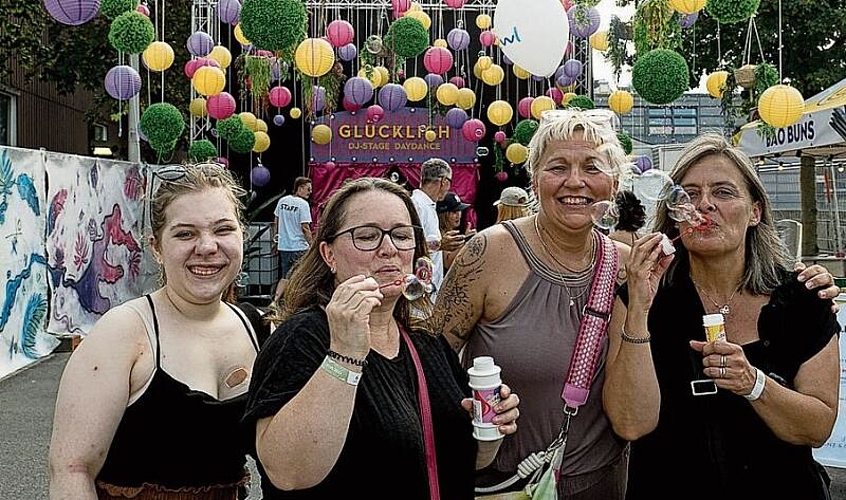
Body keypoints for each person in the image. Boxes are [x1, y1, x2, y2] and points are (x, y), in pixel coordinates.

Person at [243, 177, 520, 499]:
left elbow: (463, 461)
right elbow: (287, 473)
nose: (388, 249)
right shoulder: (303, 338)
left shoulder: (425, 342)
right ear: (328, 254)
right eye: (367, 236)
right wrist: (345, 352)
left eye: (401, 236)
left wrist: (492, 427)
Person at [604, 133, 841, 500]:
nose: (705, 205)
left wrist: (754, 383)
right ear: (674, 215)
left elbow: (817, 427)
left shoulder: (801, 297)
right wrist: (638, 308)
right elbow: (630, 423)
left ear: (756, 211)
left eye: (724, 192)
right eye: (690, 194)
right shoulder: (645, 296)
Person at [431, 108, 635, 498]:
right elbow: (431, 363)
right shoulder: (489, 252)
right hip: (504, 485)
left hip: (600, 482)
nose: (575, 181)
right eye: (557, 167)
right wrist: (469, 416)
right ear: (535, 178)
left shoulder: (627, 268)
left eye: (592, 167)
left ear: (614, 182)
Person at [48, 163, 260, 499]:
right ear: (156, 247)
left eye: (223, 230)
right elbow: (71, 470)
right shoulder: (124, 332)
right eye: (185, 233)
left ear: (241, 236)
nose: (207, 246)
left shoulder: (256, 327)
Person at [411, 158, 465, 300]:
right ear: (443, 181)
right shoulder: (418, 206)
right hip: (420, 293)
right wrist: (441, 244)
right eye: (449, 182)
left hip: (429, 290)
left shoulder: (427, 206)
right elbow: (409, 246)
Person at [273, 176, 313, 301]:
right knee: (302, 275)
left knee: (285, 276)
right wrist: (312, 244)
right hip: (300, 246)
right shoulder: (303, 205)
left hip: (284, 246)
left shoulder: (282, 201)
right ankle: (296, 302)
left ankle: (275, 301)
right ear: (300, 188)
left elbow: (276, 221)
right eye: (308, 189)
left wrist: (276, 240)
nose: (310, 192)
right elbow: (305, 227)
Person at [437, 191, 474, 273]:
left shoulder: (451, 230)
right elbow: (448, 263)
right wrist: (466, 240)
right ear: (444, 214)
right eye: (454, 212)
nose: (458, 215)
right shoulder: (439, 232)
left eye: (459, 211)